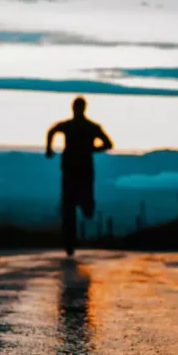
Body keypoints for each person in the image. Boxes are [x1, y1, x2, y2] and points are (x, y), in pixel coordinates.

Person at [46, 97, 114, 256]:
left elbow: (52, 131)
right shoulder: (89, 127)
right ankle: (69, 244)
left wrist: (49, 148)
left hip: (76, 171)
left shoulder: (85, 127)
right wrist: (92, 149)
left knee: (76, 206)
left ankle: (72, 236)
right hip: (77, 171)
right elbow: (108, 144)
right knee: (69, 207)